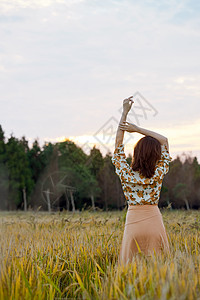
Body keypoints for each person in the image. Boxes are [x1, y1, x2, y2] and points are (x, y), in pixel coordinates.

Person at [111, 96, 172, 265]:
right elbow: (164, 140)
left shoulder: (126, 174)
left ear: (136, 153)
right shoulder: (159, 172)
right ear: (156, 156)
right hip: (154, 221)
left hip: (133, 223)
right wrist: (137, 129)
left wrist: (124, 113)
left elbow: (118, 144)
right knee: (159, 269)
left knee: (129, 269)